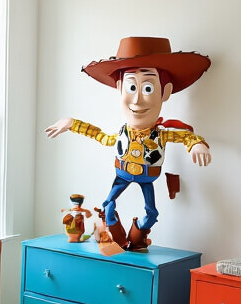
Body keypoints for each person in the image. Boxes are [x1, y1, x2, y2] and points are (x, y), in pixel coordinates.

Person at [46, 36, 211, 250]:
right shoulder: (122, 134)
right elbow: (100, 136)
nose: (137, 100)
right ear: (119, 88)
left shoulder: (160, 135)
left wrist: (197, 143)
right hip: (121, 175)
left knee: (151, 212)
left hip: (147, 177)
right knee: (108, 204)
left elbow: (184, 136)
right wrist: (73, 123)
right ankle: (116, 236)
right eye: (132, 87)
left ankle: (137, 237)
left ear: (166, 91)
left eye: (148, 89)